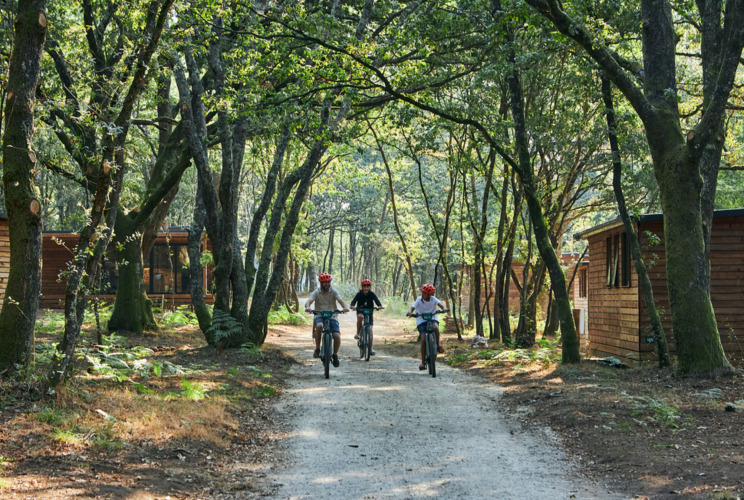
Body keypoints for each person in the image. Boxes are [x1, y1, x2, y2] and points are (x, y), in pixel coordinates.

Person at [304, 273, 349, 367]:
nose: (327, 284)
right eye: (325, 282)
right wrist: (308, 307)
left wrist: (345, 307)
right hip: (319, 315)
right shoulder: (316, 292)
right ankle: (317, 349)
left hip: (332, 316)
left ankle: (335, 355)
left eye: (328, 282)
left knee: (336, 335)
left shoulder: (334, 291)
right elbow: (309, 301)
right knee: (319, 326)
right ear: (321, 283)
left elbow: (340, 300)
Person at [406, 283, 448, 371]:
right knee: (423, 339)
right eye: (423, 292)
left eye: (425, 293)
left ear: (429, 295)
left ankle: (437, 345)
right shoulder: (419, 300)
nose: (423, 294)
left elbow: (441, 305)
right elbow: (412, 308)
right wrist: (410, 312)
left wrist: (444, 309)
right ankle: (423, 362)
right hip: (421, 321)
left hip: (432, 319)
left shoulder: (433, 299)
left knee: (436, 328)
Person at [350, 279, 384, 356]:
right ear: (362, 287)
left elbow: (376, 300)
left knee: (370, 330)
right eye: (364, 286)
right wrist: (352, 305)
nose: (366, 288)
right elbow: (354, 301)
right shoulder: (359, 294)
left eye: (368, 286)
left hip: (369, 311)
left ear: (369, 287)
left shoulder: (371, 294)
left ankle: (370, 348)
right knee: (360, 317)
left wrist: (379, 306)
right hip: (360, 310)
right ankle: (358, 333)